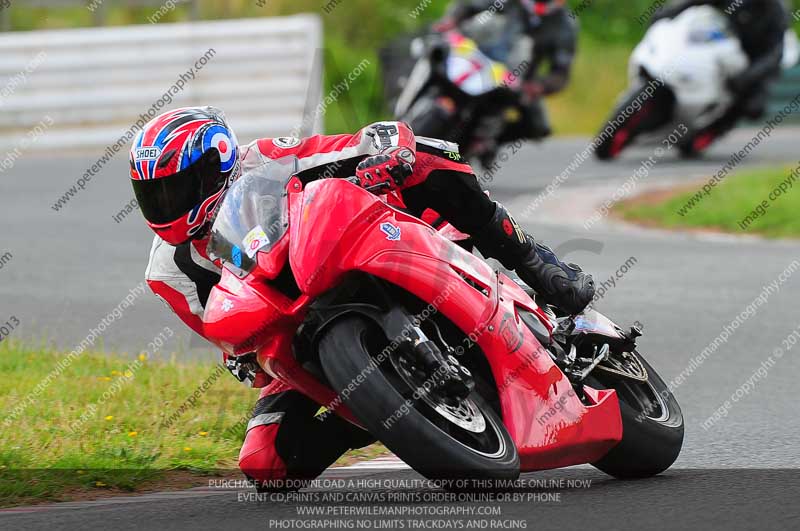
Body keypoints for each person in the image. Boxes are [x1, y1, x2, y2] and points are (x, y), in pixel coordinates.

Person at [130, 106, 595, 485]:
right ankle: (386, 410)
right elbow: (220, 331)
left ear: (218, 164)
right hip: (297, 327)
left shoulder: (268, 158)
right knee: (267, 465)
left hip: (366, 243)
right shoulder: (168, 270)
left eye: (175, 189)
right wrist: (244, 357)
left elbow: (357, 143)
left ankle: (534, 259)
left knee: (428, 160)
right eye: (154, 195)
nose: (166, 205)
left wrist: (385, 151)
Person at [651, 0, 789, 153]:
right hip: (724, 50)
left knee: (754, 107)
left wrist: (748, 76)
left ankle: (714, 129)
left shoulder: (776, 12)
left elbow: (774, 55)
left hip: (754, 65)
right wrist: (668, 13)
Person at [437, 0, 577, 142]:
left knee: (538, 126)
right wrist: (451, 21)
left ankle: (487, 143)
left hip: (516, 80)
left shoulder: (565, 24)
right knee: (431, 51)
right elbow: (468, 5)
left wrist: (539, 86)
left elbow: (561, 72)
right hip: (473, 57)